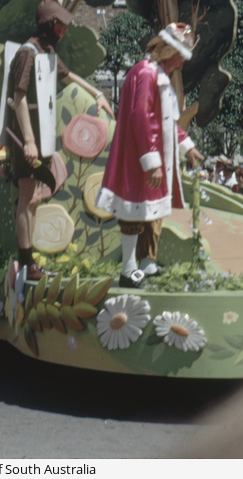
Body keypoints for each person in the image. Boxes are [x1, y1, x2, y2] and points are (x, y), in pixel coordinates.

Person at [6, 0, 113, 281]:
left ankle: (30, 263)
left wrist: (98, 93)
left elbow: (67, 75)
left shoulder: (46, 50)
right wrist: (29, 141)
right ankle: (26, 263)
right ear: (48, 23)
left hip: (41, 134)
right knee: (26, 197)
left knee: (33, 199)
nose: (63, 31)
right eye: (60, 26)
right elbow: (18, 98)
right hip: (27, 135)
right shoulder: (28, 52)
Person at [96, 23, 204, 288]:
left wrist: (187, 146)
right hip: (138, 157)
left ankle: (145, 264)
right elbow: (141, 117)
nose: (181, 64)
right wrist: (152, 162)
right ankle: (128, 269)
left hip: (147, 155)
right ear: (168, 51)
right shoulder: (147, 74)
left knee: (146, 211)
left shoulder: (155, 74)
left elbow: (166, 122)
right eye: (180, 56)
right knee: (133, 212)